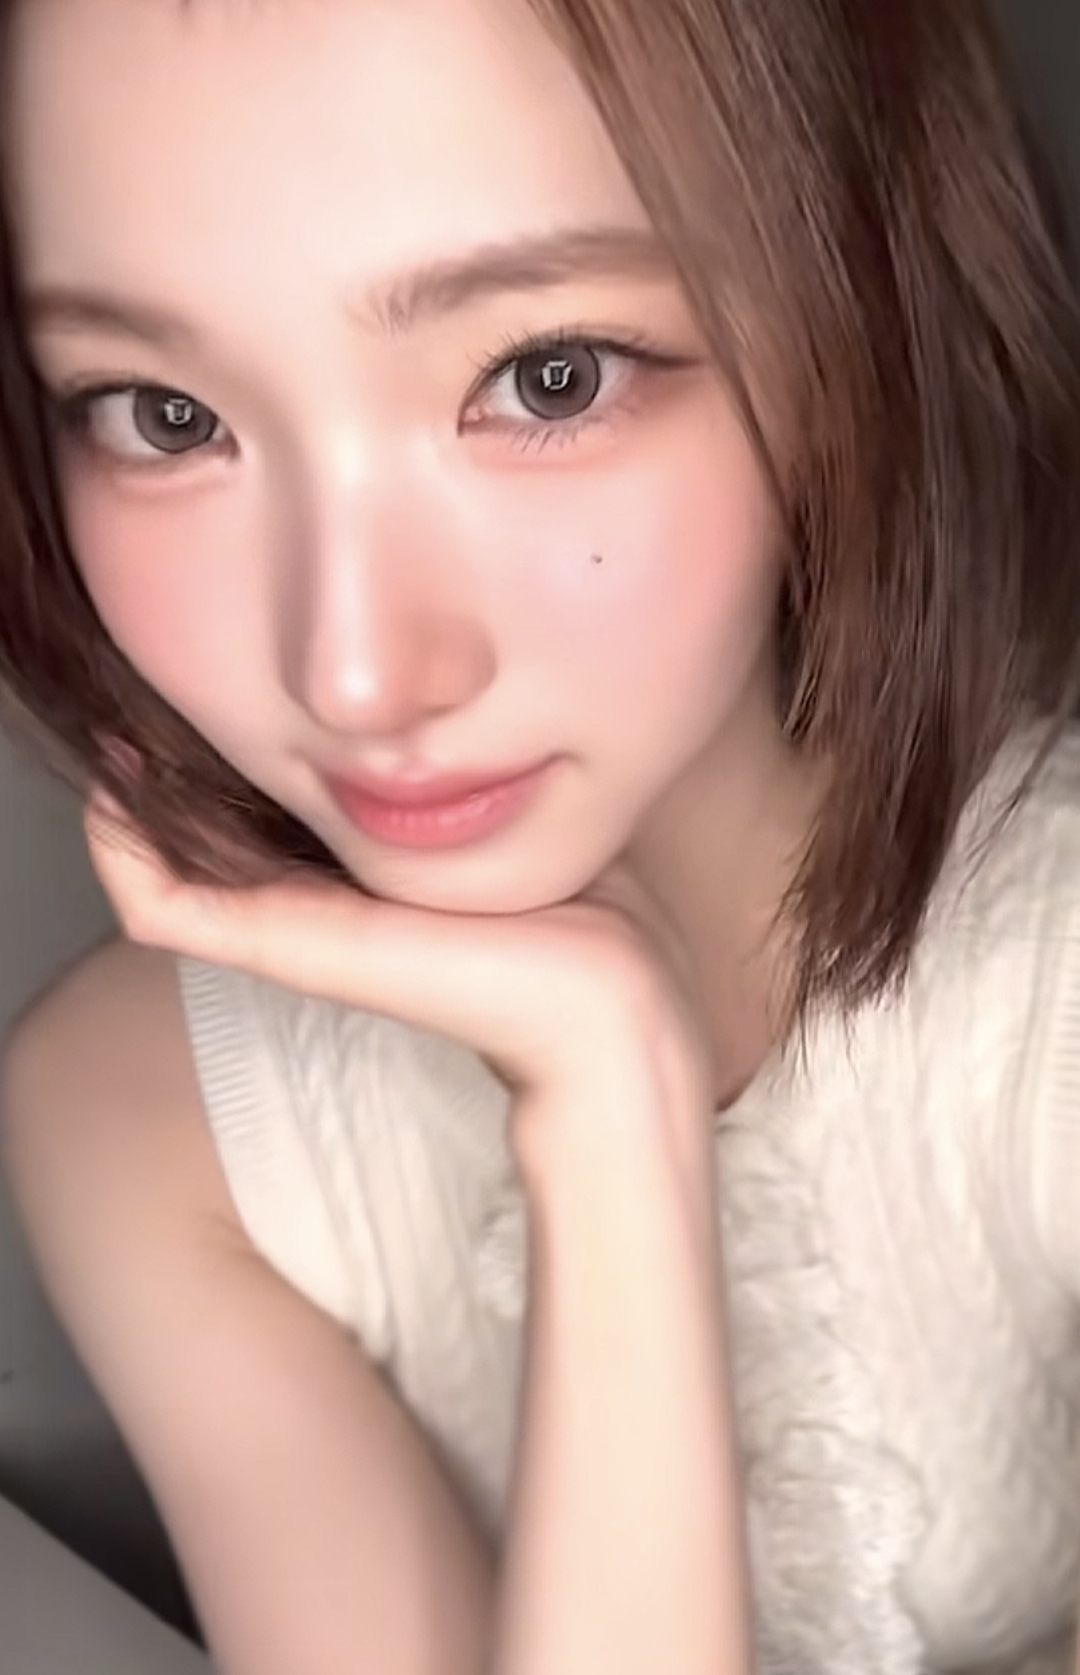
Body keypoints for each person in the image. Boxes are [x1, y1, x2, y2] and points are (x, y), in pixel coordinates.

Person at [0, 0, 1079, 1668]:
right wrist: (606, 1116)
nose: (354, 673)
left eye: (545, 378)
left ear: (862, 316)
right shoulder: (141, 1117)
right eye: (163, 416)